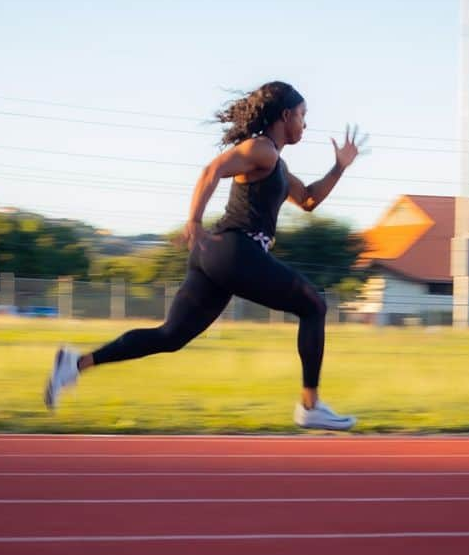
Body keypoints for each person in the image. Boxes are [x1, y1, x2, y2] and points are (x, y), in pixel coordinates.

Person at [44, 81, 366, 430]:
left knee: (170, 336)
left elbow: (308, 200)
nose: (305, 124)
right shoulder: (261, 149)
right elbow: (212, 170)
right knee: (313, 305)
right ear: (285, 115)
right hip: (234, 250)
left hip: (217, 256)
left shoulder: (278, 166)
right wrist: (194, 220)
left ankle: (75, 364)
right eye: (303, 115)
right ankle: (310, 405)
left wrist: (340, 167)